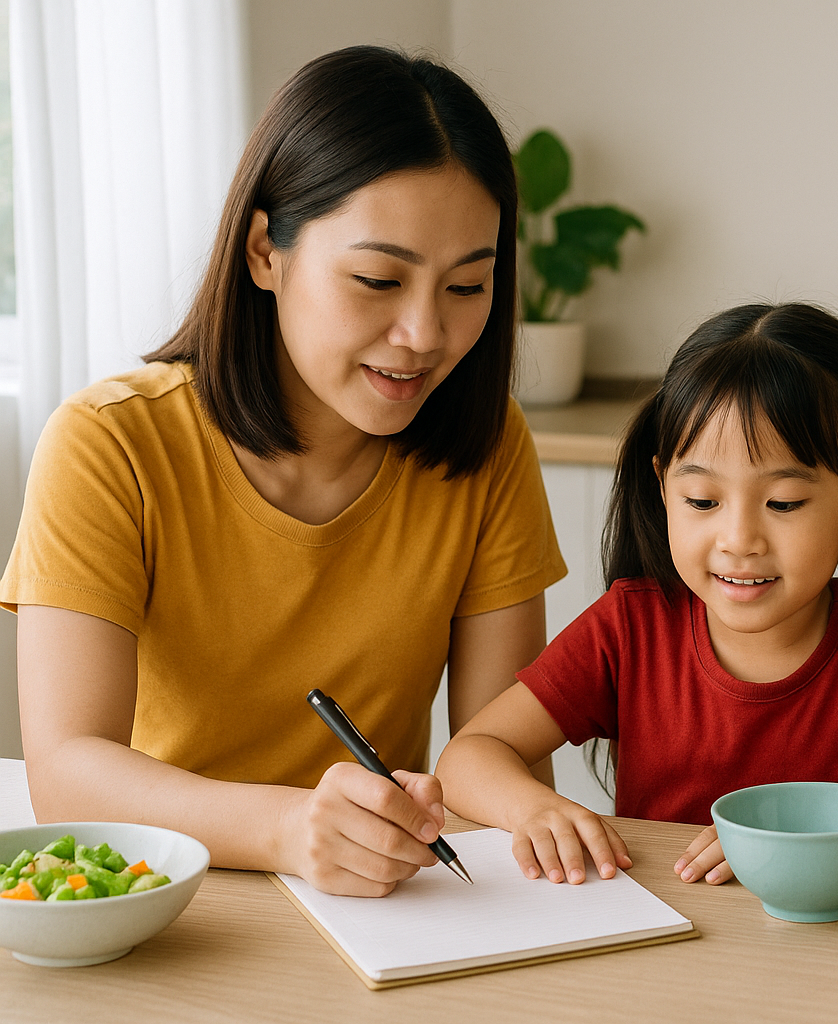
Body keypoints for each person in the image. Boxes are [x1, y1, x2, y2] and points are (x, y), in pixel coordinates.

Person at [1, 47, 566, 896]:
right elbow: (67, 773)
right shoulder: (109, 444)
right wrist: (291, 830)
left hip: (384, 903)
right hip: (172, 900)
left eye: (466, 287)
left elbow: (497, 757)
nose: (424, 334)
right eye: (378, 279)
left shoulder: (484, 449)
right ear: (266, 251)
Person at [437, 303, 838, 884]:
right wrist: (533, 808)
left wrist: (824, 835)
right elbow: (470, 755)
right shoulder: (630, 628)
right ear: (663, 489)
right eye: (701, 501)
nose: (739, 540)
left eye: (783, 503)